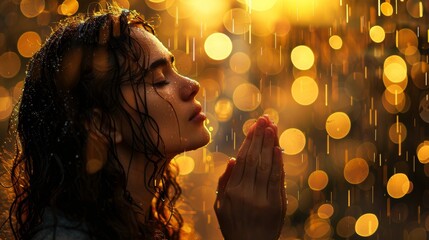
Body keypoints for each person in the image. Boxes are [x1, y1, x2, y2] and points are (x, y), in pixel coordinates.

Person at [4, 4, 286, 240]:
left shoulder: (134, 227)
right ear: (102, 124)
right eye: (160, 80)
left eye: (174, 69)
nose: (192, 85)